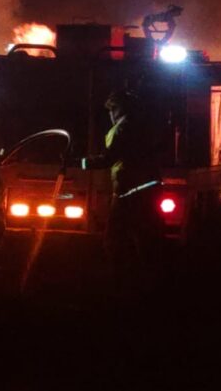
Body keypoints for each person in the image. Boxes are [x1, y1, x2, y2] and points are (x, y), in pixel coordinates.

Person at [71, 88, 163, 292]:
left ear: (117, 110)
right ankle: (151, 282)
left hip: (128, 191)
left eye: (112, 110)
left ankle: (119, 283)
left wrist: (81, 163)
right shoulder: (143, 126)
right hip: (148, 187)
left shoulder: (122, 129)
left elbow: (110, 158)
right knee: (145, 237)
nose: (110, 115)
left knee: (113, 239)